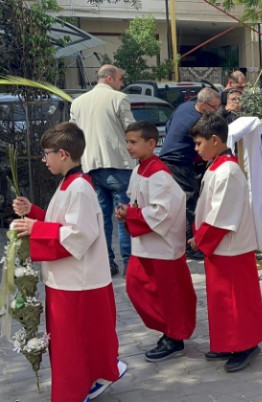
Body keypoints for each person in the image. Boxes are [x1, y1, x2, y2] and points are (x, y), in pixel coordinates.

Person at [11, 122, 124, 402]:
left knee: (71, 345)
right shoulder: (69, 183)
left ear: (62, 153)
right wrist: (33, 213)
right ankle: (84, 384)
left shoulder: (80, 188)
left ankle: (72, 394)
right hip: (69, 280)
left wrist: (34, 229)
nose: (43, 159)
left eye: (46, 153)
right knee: (71, 343)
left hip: (79, 283)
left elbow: (80, 234)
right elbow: (60, 223)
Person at [187, 113, 262, 372]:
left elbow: (221, 214)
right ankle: (228, 342)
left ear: (215, 140)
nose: (196, 150)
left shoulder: (228, 170)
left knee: (235, 299)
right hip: (221, 247)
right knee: (223, 299)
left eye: (199, 144)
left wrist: (200, 239)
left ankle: (245, 345)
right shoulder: (217, 164)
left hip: (231, 246)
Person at [115, 121, 197, 362]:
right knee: (137, 287)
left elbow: (164, 212)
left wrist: (130, 215)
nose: (128, 147)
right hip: (147, 244)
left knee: (167, 294)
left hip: (162, 247)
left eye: (133, 142)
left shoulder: (158, 172)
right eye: (127, 141)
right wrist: (128, 212)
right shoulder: (141, 168)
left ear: (151, 143)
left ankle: (174, 337)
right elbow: (139, 202)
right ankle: (169, 331)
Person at [69, 64, 135, 276]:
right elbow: (131, 130)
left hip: (91, 167)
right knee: (124, 217)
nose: (121, 83)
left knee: (101, 218)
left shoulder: (78, 103)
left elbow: (73, 135)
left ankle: (106, 263)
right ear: (110, 78)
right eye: (120, 79)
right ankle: (130, 264)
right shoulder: (118, 98)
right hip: (119, 165)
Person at [159, 87, 222, 260]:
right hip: (178, 163)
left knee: (182, 203)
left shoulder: (185, 107)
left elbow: (169, 125)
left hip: (168, 159)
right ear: (203, 104)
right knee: (190, 204)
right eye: (214, 107)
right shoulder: (198, 122)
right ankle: (191, 246)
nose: (217, 111)